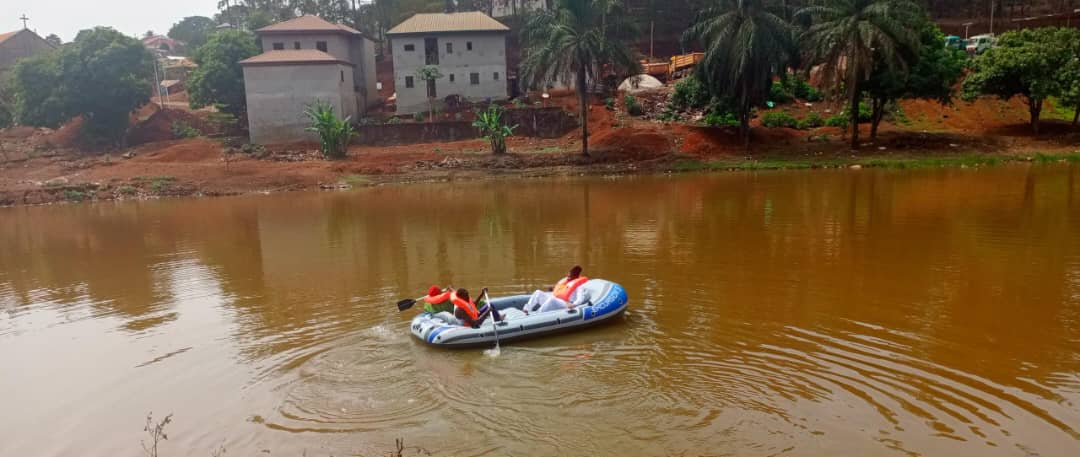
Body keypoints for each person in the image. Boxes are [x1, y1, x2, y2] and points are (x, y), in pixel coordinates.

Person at [522, 265, 589, 314]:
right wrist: (553, 289)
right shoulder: (565, 281)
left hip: (566, 304)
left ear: (576, 277)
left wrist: (573, 305)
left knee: (552, 300)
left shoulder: (579, 286)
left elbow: (580, 299)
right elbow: (559, 289)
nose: (568, 277)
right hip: (557, 300)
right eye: (568, 275)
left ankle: (537, 314)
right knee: (538, 292)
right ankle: (526, 309)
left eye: (570, 276)